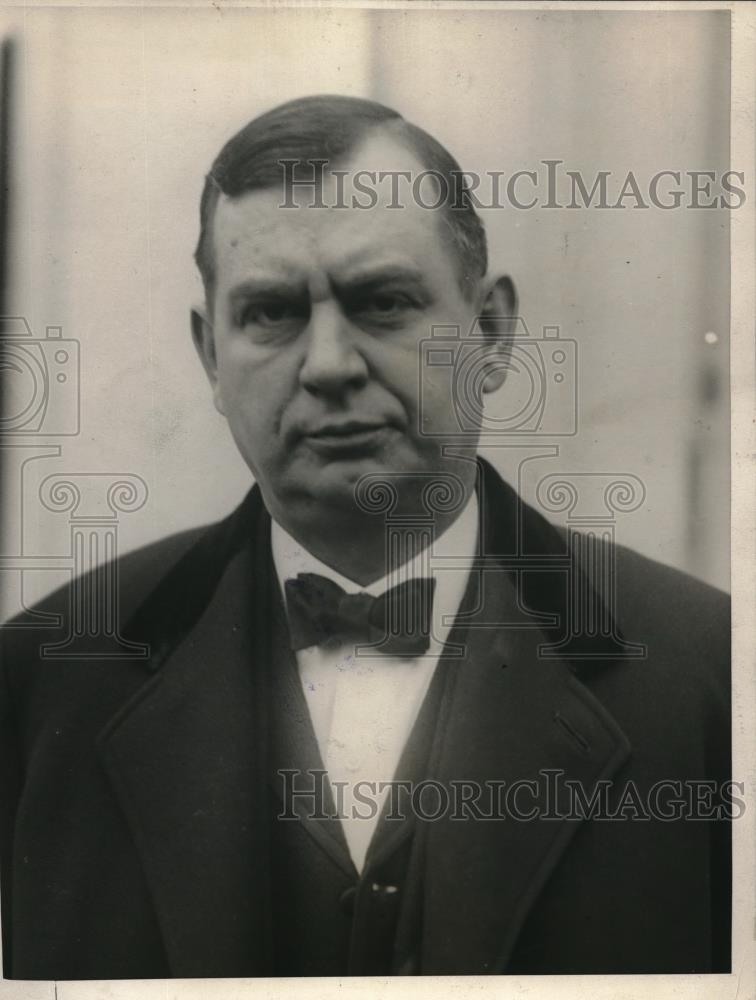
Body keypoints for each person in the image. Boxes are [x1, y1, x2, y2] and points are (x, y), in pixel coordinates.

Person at [0, 95, 730, 979]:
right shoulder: (42, 683)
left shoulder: (711, 673)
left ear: (491, 334)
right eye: (270, 313)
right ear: (210, 360)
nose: (330, 364)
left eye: (383, 303)